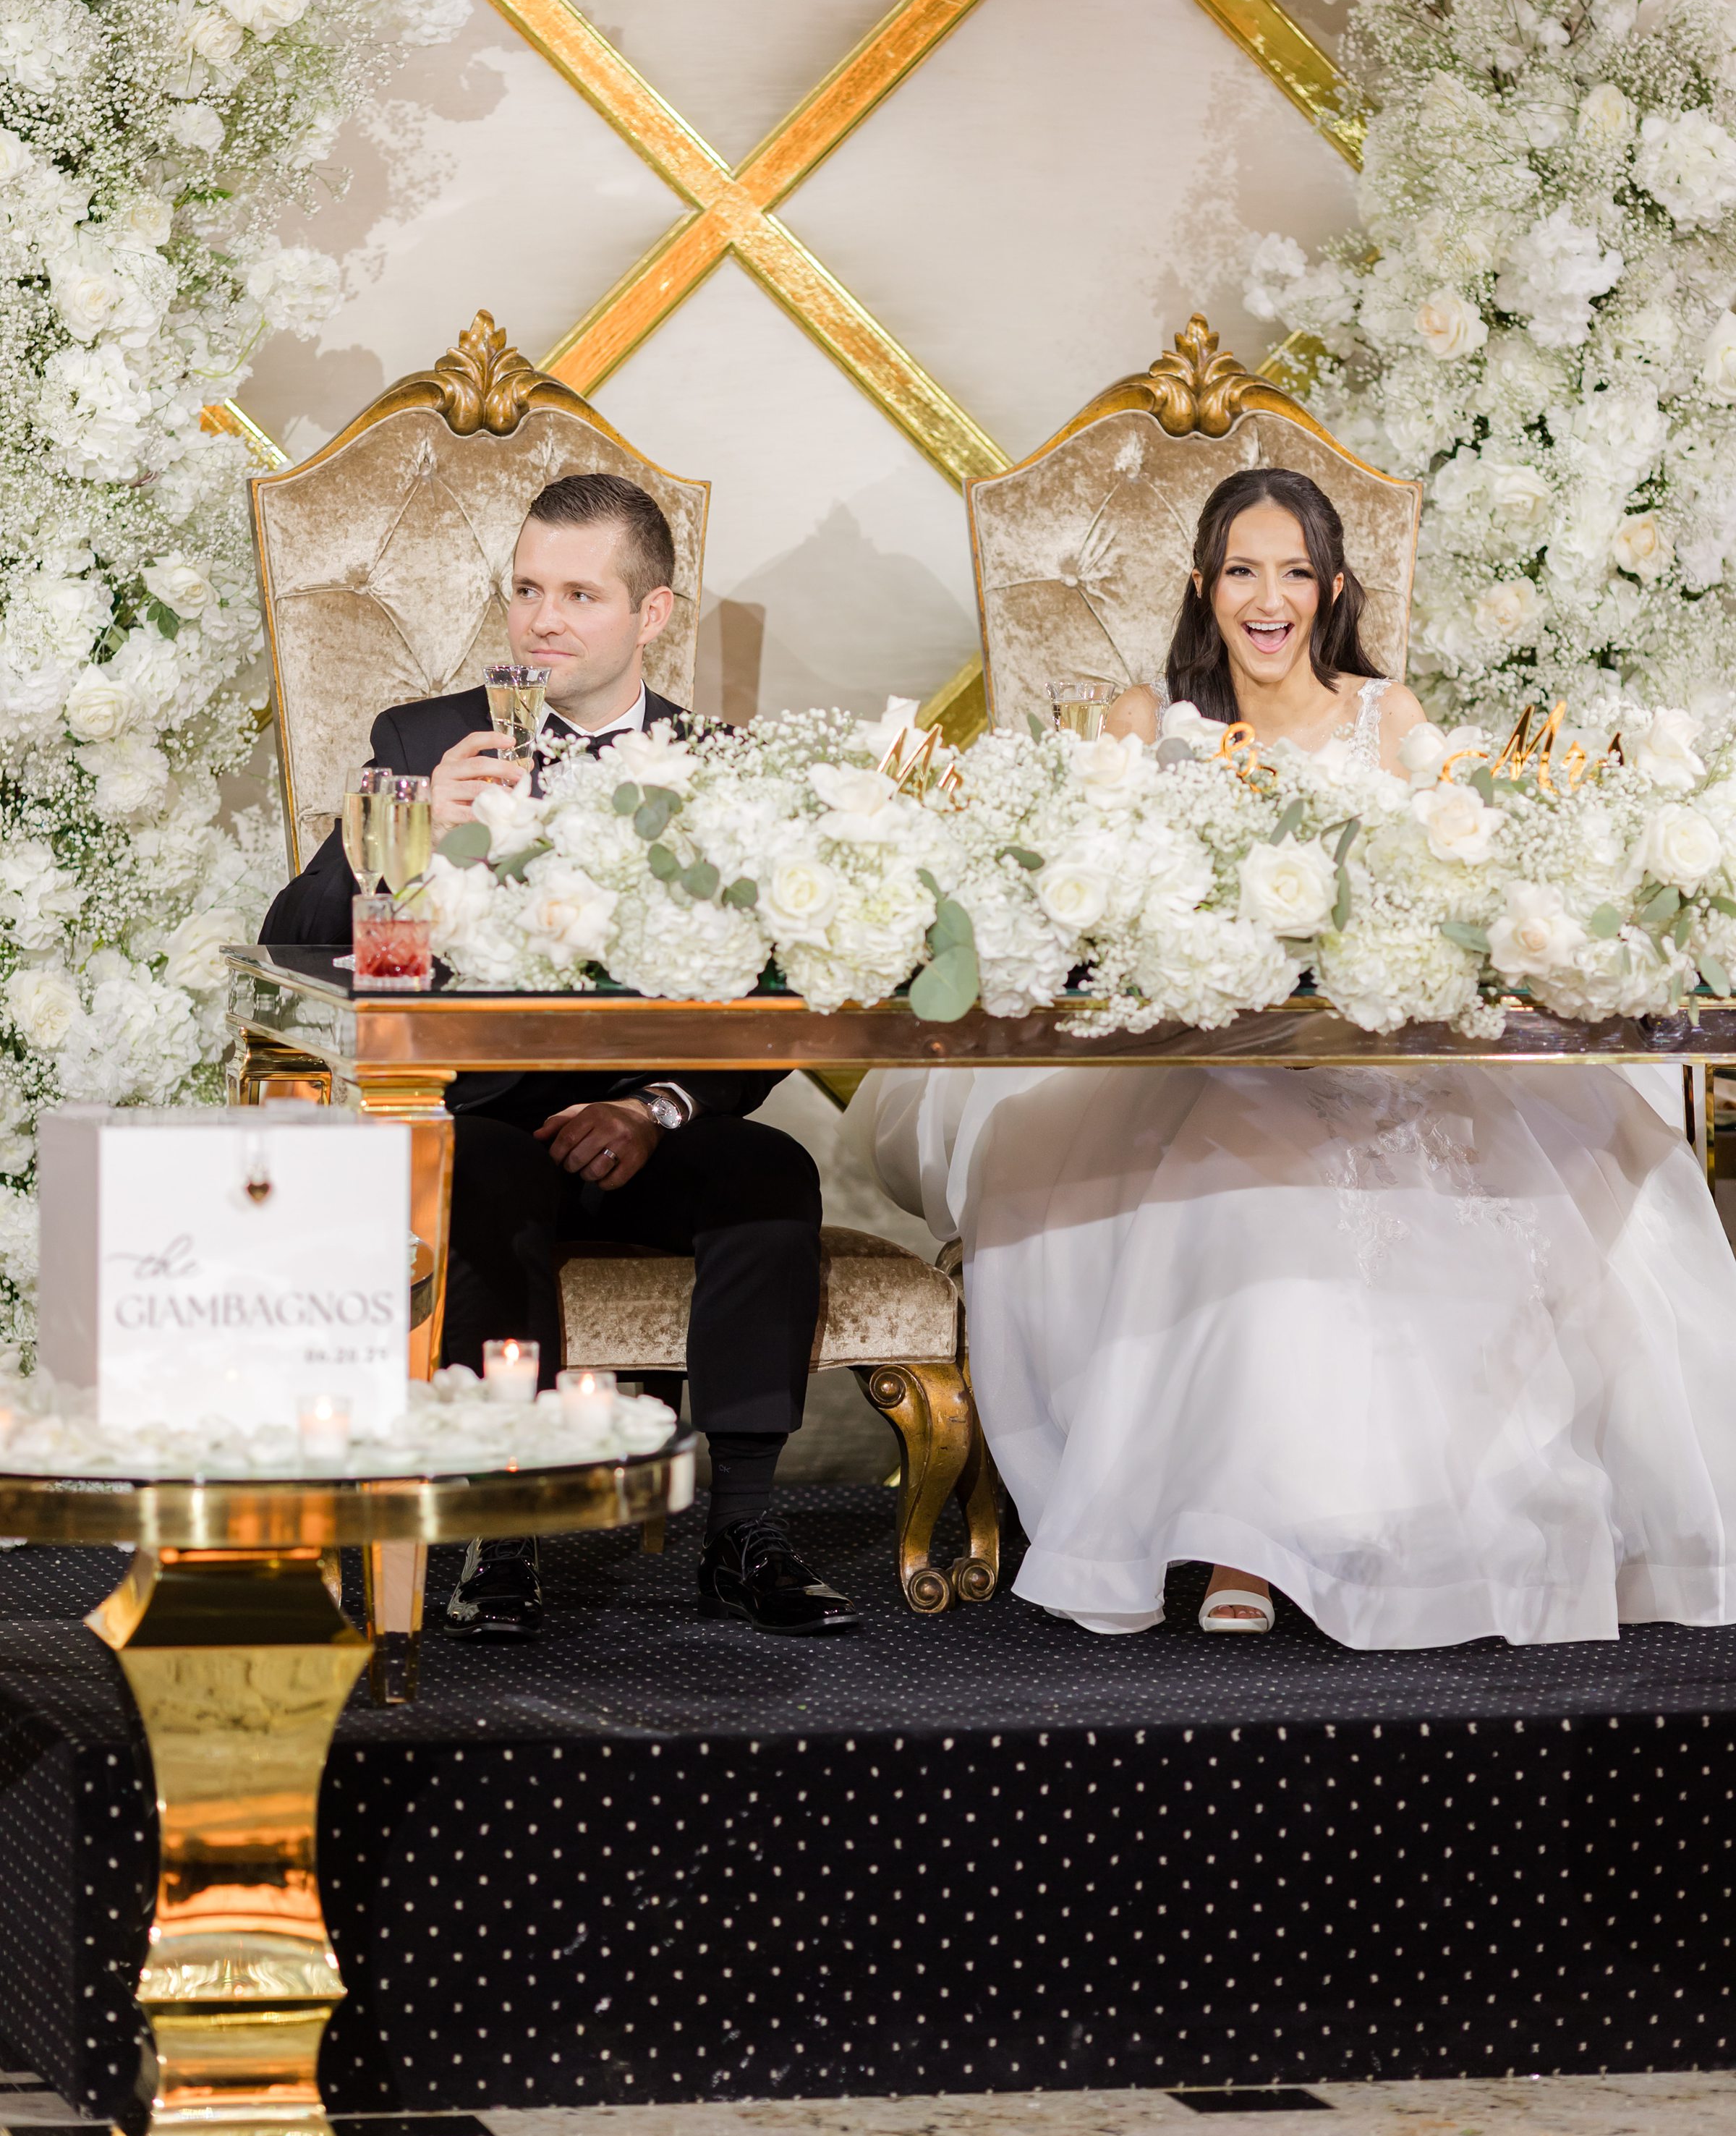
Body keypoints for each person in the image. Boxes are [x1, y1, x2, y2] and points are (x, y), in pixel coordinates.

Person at [851, 466, 1736, 1648]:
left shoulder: (1391, 718)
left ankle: (1395, 1529)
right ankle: (1239, 1545)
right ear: (1205, 585)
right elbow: (1079, 907)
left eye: (1296, 574)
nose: (1269, 600)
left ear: (1330, 590)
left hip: (1373, 1054)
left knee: (1487, 1197)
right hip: (1189, 1062)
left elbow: (1451, 893)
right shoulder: (1141, 722)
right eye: (1243, 572)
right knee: (1241, 1195)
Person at [262, 470, 856, 1640]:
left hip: (649, 1122)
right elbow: (294, 940)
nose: (540, 619)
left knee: (772, 1177)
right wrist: (410, 827)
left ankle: (742, 1531)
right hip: (485, 1107)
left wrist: (659, 1108)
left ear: (653, 617)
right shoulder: (423, 738)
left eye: (580, 594)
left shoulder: (722, 767)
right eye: (527, 588)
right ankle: (504, 1527)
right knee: (475, 1176)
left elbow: (780, 993)